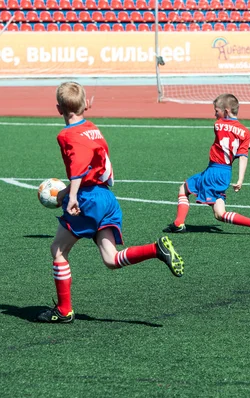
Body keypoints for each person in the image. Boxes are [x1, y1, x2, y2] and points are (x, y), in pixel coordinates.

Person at [37, 81, 184, 324]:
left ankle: (64, 311)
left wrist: (72, 195)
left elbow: (78, 167)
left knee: (58, 250)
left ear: (58, 108)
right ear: (86, 105)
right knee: (111, 259)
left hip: (88, 198)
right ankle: (156, 249)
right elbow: (91, 165)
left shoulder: (66, 135)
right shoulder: (93, 128)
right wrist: (67, 192)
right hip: (106, 197)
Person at [163, 93, 250, 236]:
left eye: (217, 110)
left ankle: (178, 223)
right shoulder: (246, 133)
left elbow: (225, 140)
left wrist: (237, 146)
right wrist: (240, 179)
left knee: (184, 188)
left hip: (214, 171)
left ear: (226, 111)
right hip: (225, 174)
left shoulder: (218, 125)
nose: (215, 114)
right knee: (219, 214)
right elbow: (242, 156)